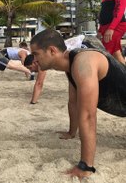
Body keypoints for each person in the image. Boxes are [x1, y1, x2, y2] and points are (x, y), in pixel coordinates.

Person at [30, 29, 126, 180]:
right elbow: (73, 102)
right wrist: (71, 132)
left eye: (36, 54)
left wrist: (85, 166)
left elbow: (88, 115)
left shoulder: (83, 63)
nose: (33, 60)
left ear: (52, 50)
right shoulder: (70, 63)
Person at [98, 0, 126, 64]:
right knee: (116, 54)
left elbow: (120, 9)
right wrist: (100, 30)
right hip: (106, 27)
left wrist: (111, 28)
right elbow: (105, 12)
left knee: (105, 54)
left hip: (116, 26)